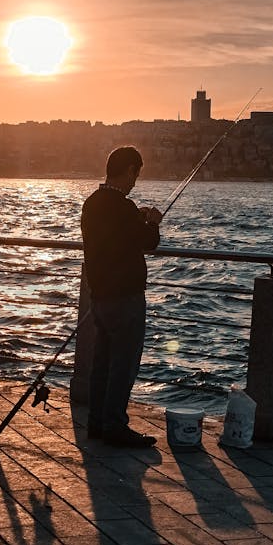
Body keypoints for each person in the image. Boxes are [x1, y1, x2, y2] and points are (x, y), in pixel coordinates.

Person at [81, 145, 162, 447]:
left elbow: (114, 237)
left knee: (101, 363)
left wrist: (135, 218)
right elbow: (148, 242)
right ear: (129, 170)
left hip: (99, 297)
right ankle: (115, 424)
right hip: (125, 298)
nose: (136, 181)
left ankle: (97, 422)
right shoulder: (123, 208)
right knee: (123, 365)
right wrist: (152, 220)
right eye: (136, 174)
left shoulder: (92, 203)